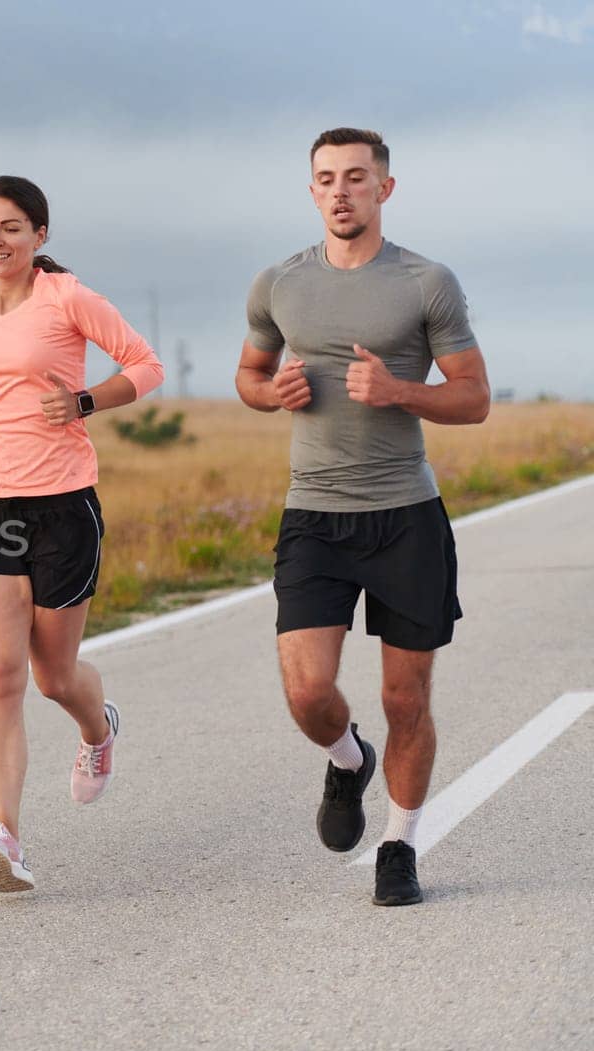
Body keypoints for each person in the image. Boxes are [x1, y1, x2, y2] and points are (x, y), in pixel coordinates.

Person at [235, 128, 490, 906]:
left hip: (405, 516)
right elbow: (248, 373)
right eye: (325, 179)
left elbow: (474, 396)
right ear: (311, 191)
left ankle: (398, 846)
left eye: (356, 177)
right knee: (308, 692)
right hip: (313, 515)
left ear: (385, 187)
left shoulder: (425, 282)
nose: (340, 191)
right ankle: (348, 760)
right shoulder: (279, 283)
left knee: (406, 700)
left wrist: (402, 391)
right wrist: (268, 392)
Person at [0, 175, 164, 892]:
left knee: (53, 676)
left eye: (11, 227)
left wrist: (84, 399)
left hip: (62, 507)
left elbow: (146, 365)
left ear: (39, 235)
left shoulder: (68, 296)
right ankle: (5, 835)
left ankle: (97, 729)